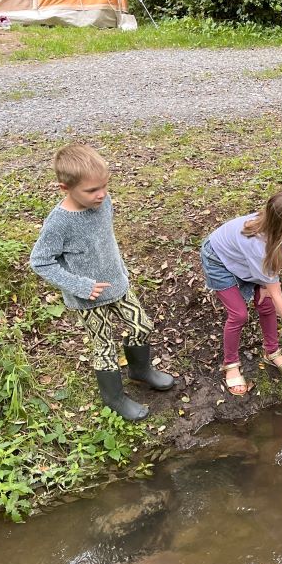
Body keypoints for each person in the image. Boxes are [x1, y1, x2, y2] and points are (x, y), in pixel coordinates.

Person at [30, 144, 174, 421]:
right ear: (65, 188)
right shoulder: (59, 223)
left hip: (117, 284)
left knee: (142, 324)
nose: (102, 194)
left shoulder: (102, 202)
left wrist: (119, 270)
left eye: (105, 186)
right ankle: (114, 398)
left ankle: (140, 370)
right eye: (92, 190)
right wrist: (80, 286)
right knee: (104, 345)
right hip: (88, 298)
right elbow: (40, 261)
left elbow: (106, 241)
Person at [200, 191, 282, 396]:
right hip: (218, 260)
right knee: (239, 314)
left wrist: (265, 285)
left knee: (266, 303)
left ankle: (272, 352)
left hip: (245, 260)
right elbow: (278, 294)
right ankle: (231, 364)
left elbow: (275, 271)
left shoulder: (278, 236)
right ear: (280, 229)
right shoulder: (258, 245)